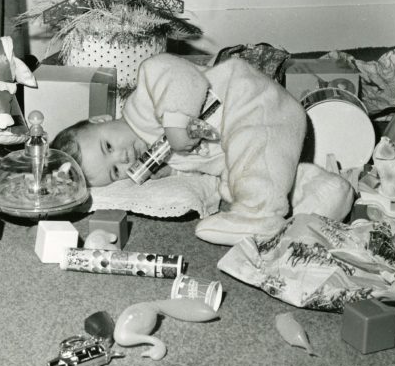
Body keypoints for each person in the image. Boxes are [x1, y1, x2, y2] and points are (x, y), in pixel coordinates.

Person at [51, 53, 306, 245]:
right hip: (241, 144)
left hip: (249, 101)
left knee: (253, 151)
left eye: (108, 146)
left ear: (101, 120)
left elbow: (175, 73)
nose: (123, 157)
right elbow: (198, 166)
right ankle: (318, 194)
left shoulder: (143, 103)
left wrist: (175, 121)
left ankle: (258, 215)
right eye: (115, 171)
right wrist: (173, 173)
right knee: (245, 178)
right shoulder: (159, 156)